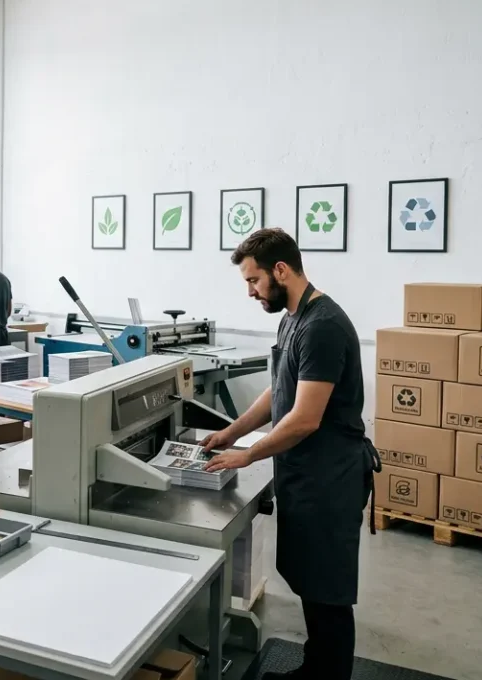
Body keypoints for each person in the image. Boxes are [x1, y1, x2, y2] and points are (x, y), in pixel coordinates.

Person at [201, 229, 378, 680]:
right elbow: (278, 390)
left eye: (254, 280)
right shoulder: (292, 318)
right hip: (305, 475)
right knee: (312, 587)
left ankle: (328, 674)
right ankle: (316, 669)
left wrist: (249, 455)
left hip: (330, 478)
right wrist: (232, 432)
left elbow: (304, 419)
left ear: (281, 270)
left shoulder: (323, 326)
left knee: (329, 595)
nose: (250, 291)